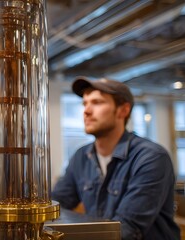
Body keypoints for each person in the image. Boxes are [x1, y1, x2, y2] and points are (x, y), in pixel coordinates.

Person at [52, 76, 180, 240]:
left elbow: (127, 229)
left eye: (97, 102)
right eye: (85, 103)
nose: (86, 110)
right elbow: (56, 206)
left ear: (123, 110)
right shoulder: (81, 157)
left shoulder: (151, 157)